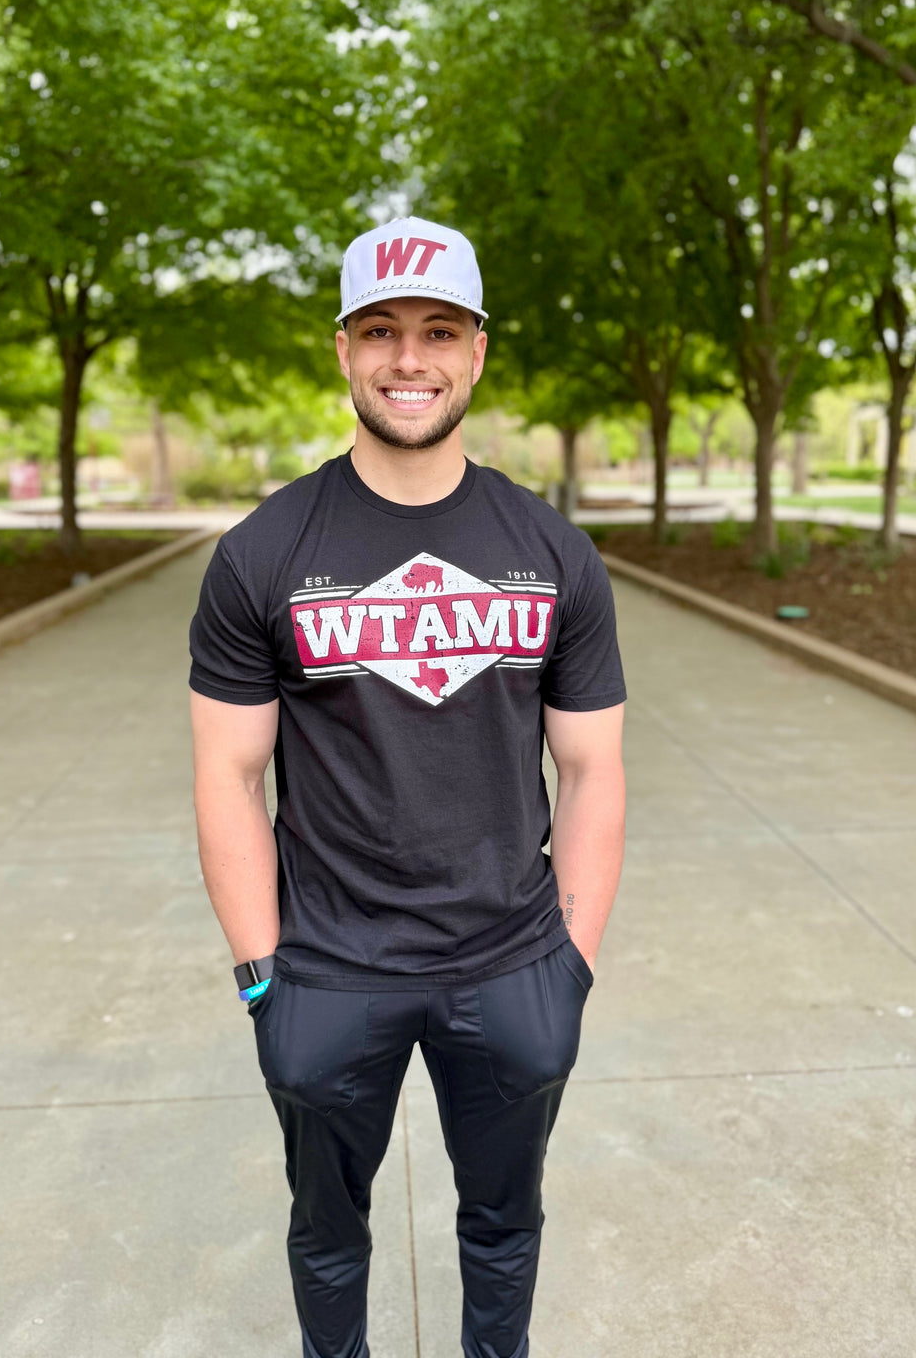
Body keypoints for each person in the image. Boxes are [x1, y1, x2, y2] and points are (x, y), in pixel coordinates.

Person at [188, 215, 627, 1358]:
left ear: (478, 351)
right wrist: (259, 979)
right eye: (380, 330)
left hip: (512, 963)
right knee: (328, 1236)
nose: (408, 359)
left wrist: (569, 966)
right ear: (342, 350)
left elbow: (591, 769)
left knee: (504, 1227)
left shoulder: (554, 552)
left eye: (438, 330)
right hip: (331, 972)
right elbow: (229, 776)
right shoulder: (262, 552)